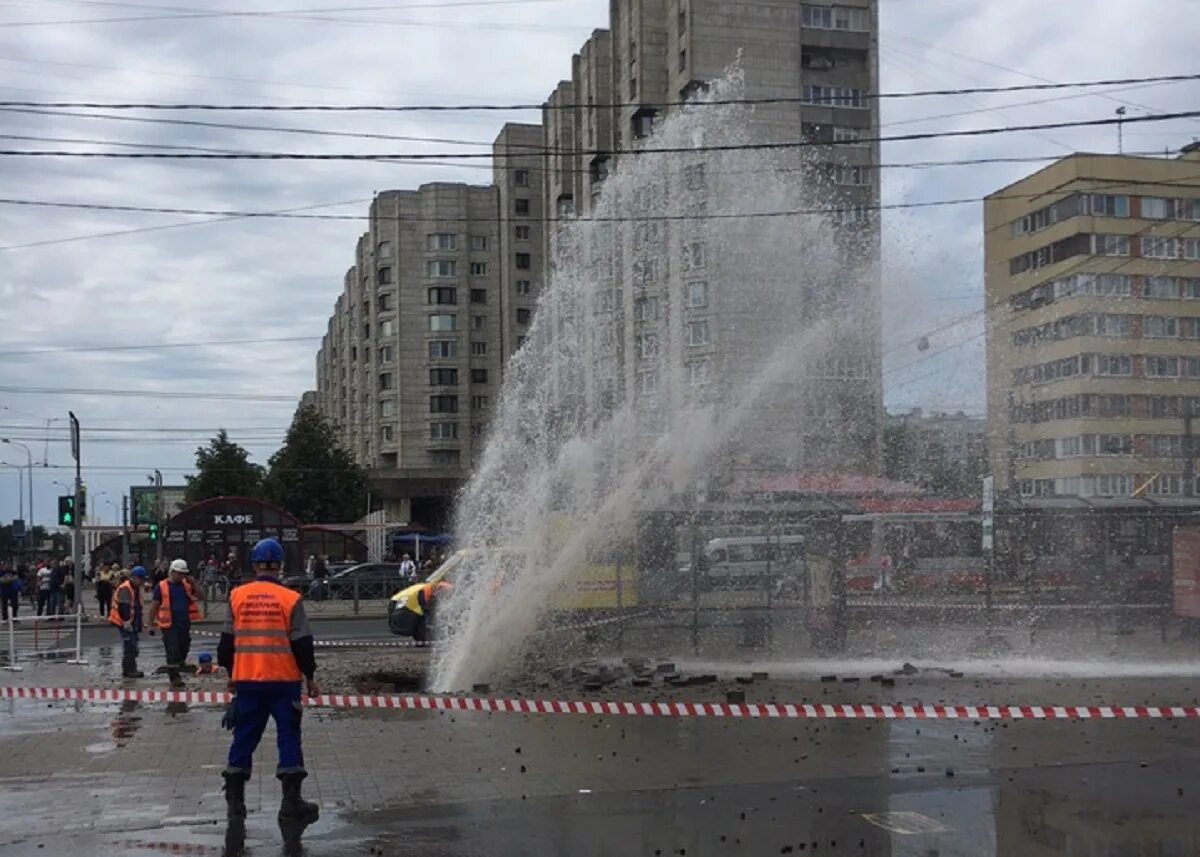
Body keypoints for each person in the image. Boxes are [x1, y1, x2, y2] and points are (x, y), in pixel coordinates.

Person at [218, 538, 320, 824]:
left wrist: (231, 677)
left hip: (248, 681)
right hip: (283, 681)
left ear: (254, 564)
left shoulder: (237, 596)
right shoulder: (290, 599)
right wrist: (310, 677)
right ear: (280, 565)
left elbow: (226, 646)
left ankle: (235, 803)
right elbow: (303, 644)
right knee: (288, 736)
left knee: (244, 736)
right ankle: (291, 803)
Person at [148, 558, 203, 688]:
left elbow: (201, 597)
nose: (181, 576)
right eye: (179, 573)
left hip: (184, 623)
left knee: (184, 646)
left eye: (183, 574)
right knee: (172, 650)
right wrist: (150, 624)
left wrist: (194, 583)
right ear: (172, 572)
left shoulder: (187, 585)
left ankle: (179, 664)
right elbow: (154, 606)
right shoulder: (161, 586)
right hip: (169, 625)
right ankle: (174, 677)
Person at [109, 566, 147, 679]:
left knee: (131, 646)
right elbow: (124, 607)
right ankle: (129, 671)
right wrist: (127, 622)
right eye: (141, 578)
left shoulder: (133, 588)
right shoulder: (126, 588)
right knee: (130, 646)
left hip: (130, 622)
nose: (142, 581)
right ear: (134, 577)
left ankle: (130, 670)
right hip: (124, 622)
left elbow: (136, 607)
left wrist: (138, 623)